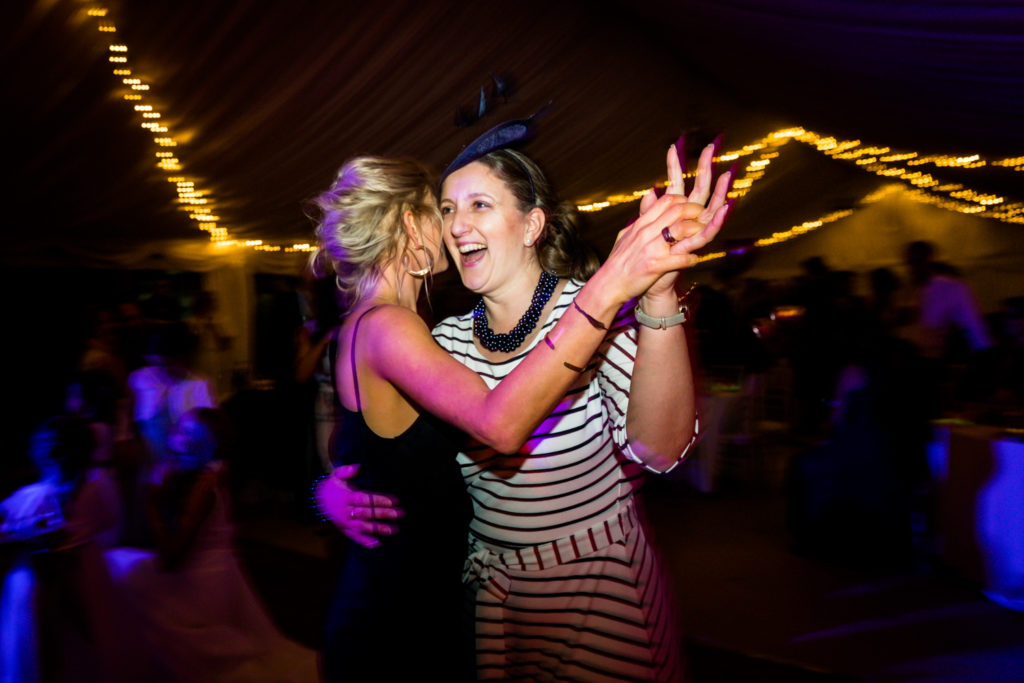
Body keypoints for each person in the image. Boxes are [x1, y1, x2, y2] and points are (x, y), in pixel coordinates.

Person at [317, 120, 731, 681]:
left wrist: (656, 295)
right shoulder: (442, 340)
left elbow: (659, 450)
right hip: (487, 606)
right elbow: (380, 436)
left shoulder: (588, 318)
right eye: (444, 209)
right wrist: (339, 488)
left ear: (532, 224)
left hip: (596, 597)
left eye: (479, 205)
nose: (456, 225)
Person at [104, 408, 318, 682]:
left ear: (205, 444)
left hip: (197, 585)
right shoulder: (208, 475)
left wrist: (151, 502)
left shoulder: (205, 484)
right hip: (221, 577)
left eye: (184, 432)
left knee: (119, 571)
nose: (174, 435)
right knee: (121, 562)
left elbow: (172, 557)